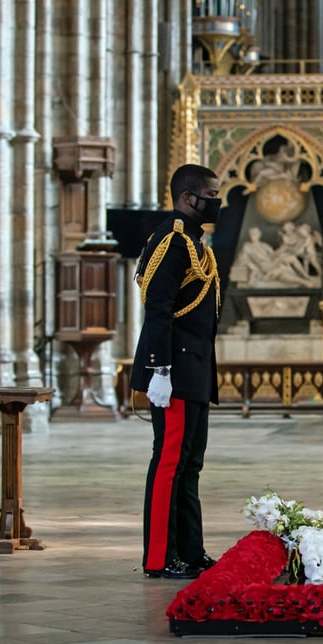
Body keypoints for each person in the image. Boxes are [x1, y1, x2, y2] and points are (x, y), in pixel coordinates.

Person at [131, 164, 222, 577]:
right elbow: (159, 310)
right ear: (189, 198)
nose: (216, 203)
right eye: (211, 195)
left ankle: (190, 549)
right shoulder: (171, 242)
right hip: (175, 370)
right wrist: (159, 370)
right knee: (169, 463)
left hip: (195, 370)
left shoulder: (196, 244)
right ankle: (161, 557)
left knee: (191, 465)